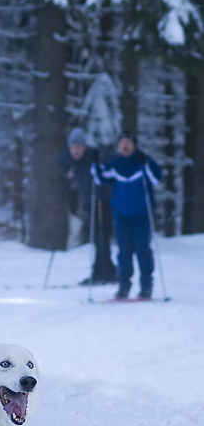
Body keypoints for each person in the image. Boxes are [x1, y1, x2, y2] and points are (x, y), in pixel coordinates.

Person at [94, 131, 161, 299]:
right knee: (123, 251)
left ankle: (146, 286)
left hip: (141, 215)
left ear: (134, 145)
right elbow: (101, 178)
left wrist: (147, 163)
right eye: (122, 142)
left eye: (128, 142)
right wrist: (95, 165)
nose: (124, 145)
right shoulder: (116, 164)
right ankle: (123, 287)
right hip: (121, 216)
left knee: (142, 250)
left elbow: (156, 178)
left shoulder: (142, 162)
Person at [56, 127, 116, 285]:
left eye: (79, 147)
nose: (75, 150)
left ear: (85, 147)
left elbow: (111, 158)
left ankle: (105, 272)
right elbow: (61, 159)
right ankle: (103, 271)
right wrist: (72, 168)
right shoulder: (73, 161)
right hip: (90, 203)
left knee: (101, 237)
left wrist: (99, 160)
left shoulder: (92, 156)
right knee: (96, 238)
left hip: (103, 201)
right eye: (72, 147)